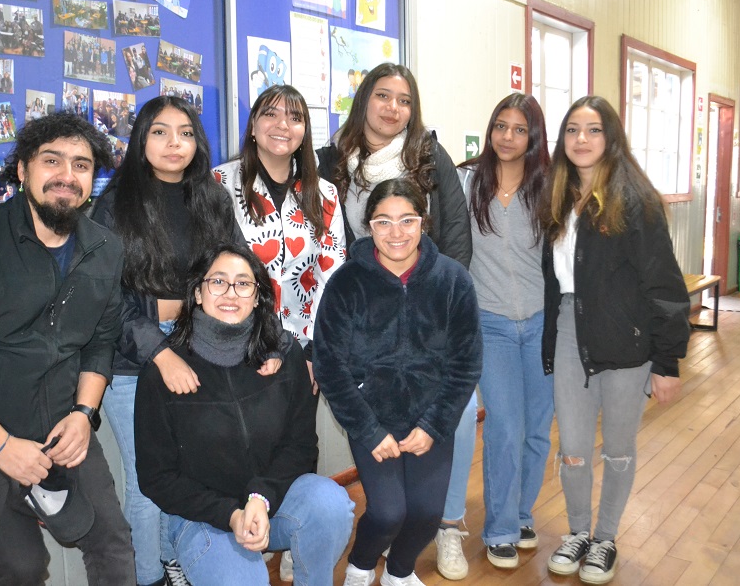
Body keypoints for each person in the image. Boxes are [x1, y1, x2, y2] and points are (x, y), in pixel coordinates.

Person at [0, 112, 136, 585]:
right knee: (21, 566)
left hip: (62, 421)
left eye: (81, 165)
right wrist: (1, 447)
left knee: (111, 542)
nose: (66, 176)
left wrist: (83, 413)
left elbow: (102, 339)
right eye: (51, 161)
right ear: (22, 169)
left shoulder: (105, 248)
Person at [90, 96, 261, 586]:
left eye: (185, 132)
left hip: (196, 344)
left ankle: (171, 561)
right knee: (147, 484)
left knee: (183, 469)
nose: (173, 143)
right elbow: (107, 300)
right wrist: (159, 351)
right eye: (160, 131)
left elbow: (238, 269)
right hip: (132, 358)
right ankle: (147, 578)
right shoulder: (114, 203)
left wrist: (259, 341)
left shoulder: (211, 198)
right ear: (141, 139)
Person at [135, 243, 355, 585]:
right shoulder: (164, 373)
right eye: (218, 282)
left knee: (331, 505)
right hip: (203, 518)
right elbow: (157, 477)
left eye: (243, 283)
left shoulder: (281, 356)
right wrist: (231, 514)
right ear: (196, 293)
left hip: (270, 502)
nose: (230, 293)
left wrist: (260, 498)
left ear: (256, 296)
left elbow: (300, 447)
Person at [540, 96, 690, 584]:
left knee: (619, 447)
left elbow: (665, 286)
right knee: (575, 448)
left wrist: (667, 362)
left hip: (627, 342)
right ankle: (578, 532)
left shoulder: (635, 201)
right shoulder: (557, 196)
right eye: (572, 130)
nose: (581, 139)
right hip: (570, 330)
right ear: (562, 140)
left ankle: (605, 538)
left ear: (611, 138)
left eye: (594, 130)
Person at [314, 178, 482, 586]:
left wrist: (434, 426)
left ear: (423, 223)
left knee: (426, 514)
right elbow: (330, 365)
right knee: (388, 512)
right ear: (369, 226)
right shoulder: (346, 283)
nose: (396, 233)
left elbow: (466, 363)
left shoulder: (454, 280)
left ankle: (399, 572)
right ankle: (361, 562)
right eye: (383, 222)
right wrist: (369, 430)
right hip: (372, 418)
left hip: (432, 417)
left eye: (407, 220)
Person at [437, 94, 552, 578]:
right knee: (504, 426)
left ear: (533, 137)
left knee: (536, 431)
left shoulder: (549, 188)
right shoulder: (467, 183)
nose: (507, 136)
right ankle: (501, 528)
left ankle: (523, 514)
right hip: (491, 324)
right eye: (500, 126)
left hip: (544, 323)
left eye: (519, 129)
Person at [215, 84, 346, 386]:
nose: (282, 125)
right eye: (270, 114)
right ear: (252, 127)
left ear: (304, 132)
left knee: (298, 433)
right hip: (238, 345)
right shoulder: (219, 183)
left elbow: (332, 274)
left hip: (302, 347)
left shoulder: (324, 194)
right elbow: (211, 271)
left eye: (295, 118)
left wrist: (316, 347)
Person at [317, 62, 472, 268]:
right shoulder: (331, 162)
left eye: (404, 101)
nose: (393, 107)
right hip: (358, 291)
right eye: (383, 96)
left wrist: (446, 288)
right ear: (364, 100)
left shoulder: (430, 155)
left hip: (426, 291)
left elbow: (456, 232)